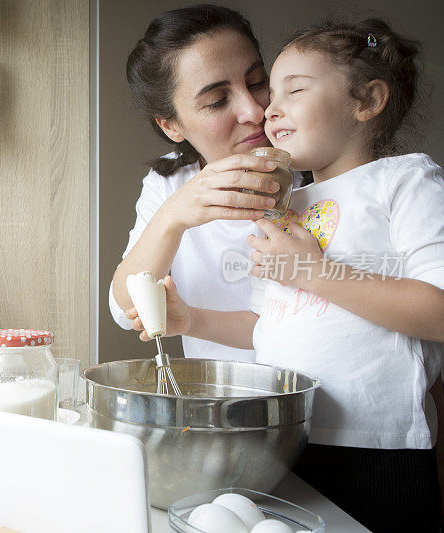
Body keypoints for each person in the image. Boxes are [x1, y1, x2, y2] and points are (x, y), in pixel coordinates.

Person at [127, 17, 444, 532]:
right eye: (272, 92)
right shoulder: (289, 204)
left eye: (287, 90)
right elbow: (268, 323)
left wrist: (312, 272)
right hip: (282, 442)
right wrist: (192, 320)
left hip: (376, 447)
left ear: (366, 101)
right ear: (173, 123)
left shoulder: (406, 181)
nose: (264, 112)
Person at [110, 5, 303, 362]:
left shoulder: (317, 160)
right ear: (171, 126)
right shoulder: (170, 183)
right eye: (217, 101)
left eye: (258, 82)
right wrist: (174, 215)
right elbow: (126, 309)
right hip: (220, 405)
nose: (255, 111)